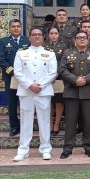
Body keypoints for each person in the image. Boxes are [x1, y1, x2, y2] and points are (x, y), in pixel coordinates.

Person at [12, 28, 57, 161]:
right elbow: (17, 72)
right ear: (29, 37)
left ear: (43, 37)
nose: (36, 37)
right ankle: (23, 149)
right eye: (34, 35)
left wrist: (40, 86)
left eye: (39, 35)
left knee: (44, 121)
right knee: (26, 121)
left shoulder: (50, 54)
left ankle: (45, 149)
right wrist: (29, 85)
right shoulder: (21, 53)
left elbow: (53, 72)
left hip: (43, 92)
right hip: (26, 91)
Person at [59, 31, 90, 159]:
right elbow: (62, 69)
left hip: (88, 92)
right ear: (74, 40)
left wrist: (86, 79)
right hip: (71, 92)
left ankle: (88, 147)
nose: (82, 39)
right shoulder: (67, 53)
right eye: (79, 37)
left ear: (88, 40)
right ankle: (67, 148)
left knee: (88, 122)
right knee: (70, 122)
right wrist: (75, 79)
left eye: (84, 37)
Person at [0, 19, 30, 137]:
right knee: (12, 103)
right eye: (13, 26)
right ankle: (14, 127)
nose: (16, 28)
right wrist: (13, 72)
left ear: (21, 28)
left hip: (26, 78)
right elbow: (1, 59)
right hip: (11, 77)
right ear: (9, 29)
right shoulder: (3, 41)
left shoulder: (27, 40)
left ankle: (26, 126)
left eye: (18, 26)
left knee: (25, 103)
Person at [43, 26, 68, 135]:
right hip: (45, 79)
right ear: (48, 35)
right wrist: (48, 76)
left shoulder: (63, 46)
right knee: (48, 102)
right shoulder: (44, 46)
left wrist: (55, 75)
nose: (54, 35)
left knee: (58, 102)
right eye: (51, 33)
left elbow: (64, 62)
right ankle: (50, 125)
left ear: (59, 34)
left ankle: (57, 124)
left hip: (59, 78)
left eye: (55, 33)